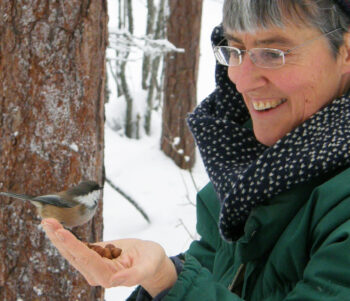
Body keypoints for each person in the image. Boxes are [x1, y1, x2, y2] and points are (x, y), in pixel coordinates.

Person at [42, 0, 350, 300]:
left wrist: (168, 282)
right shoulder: (249, 166)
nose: (241, 81)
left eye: (272, 53)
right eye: (236, 50)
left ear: (346, 51)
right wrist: (164, 276)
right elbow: (220, 267)